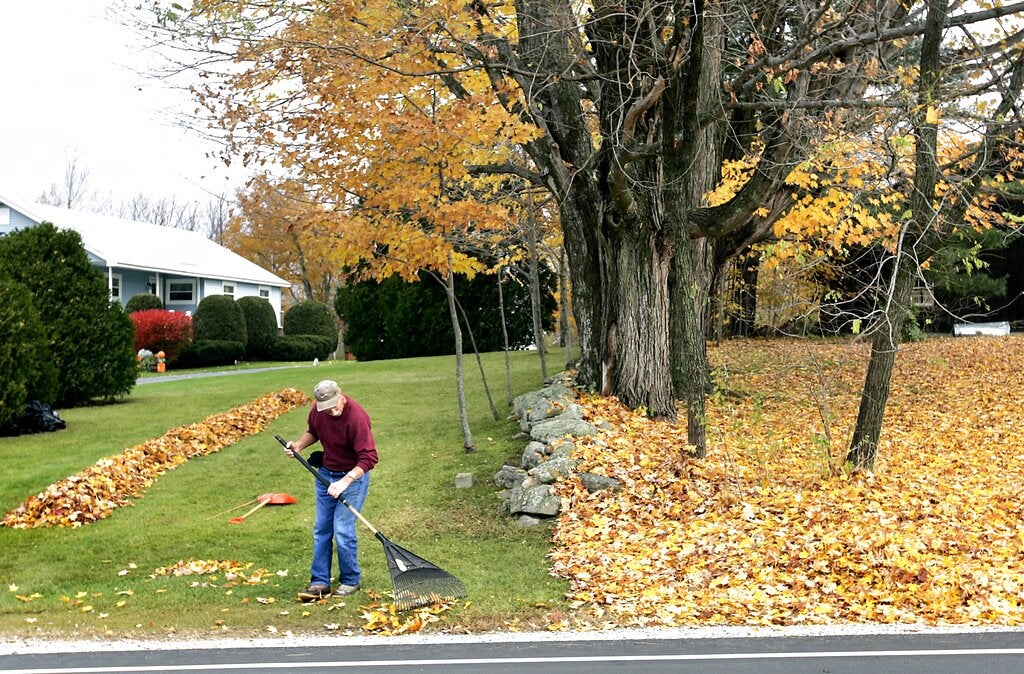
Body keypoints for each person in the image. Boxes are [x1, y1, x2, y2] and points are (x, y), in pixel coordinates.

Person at [282, 379, 378, 600]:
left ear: (341, 394)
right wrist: (298, 445)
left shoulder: (356, 417)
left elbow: (369, 457)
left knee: (343, 529)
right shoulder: (318, 411)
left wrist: (345, 481)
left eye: (335, 405)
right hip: (325, 474)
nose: (333, 412)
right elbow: (313, 431)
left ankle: (351, 580)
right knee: (322, 529)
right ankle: (320, 582)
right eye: (327, 408)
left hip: (353, 478)